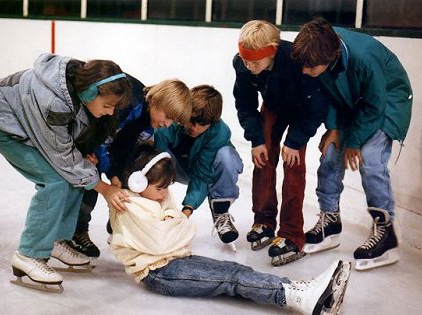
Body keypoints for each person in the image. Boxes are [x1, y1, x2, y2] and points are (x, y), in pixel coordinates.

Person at [109, 143, 351, 315]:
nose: (165, 194)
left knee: (235, 269)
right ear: (138, 183)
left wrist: (172, 224)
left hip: (176, 259)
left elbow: (180, 231)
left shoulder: (157, 199)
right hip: (159, 273)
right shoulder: (130, 207)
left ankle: (297, 288)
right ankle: (298, 298)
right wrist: (176, 224)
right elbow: (165, 240)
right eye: (160, 189)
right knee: (231, 279)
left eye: (166, 188)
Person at [0, 53, 132, 293]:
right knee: (56, 181)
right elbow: (61, 156)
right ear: (92, 93)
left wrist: (85, 159)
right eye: (108, 105)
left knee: (76, 176)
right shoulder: (53, 102)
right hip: (4, 125)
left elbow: (71, 146)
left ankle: (56, 239)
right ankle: (29, 254)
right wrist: (103, 188)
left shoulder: (79, 88)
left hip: (29, 123)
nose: (111, 112)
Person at [291, 19, 413, 270]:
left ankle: (385, 230)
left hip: (387, 100)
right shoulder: (318, 51)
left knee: (369, 158)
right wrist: (334, 129)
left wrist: (355, 142)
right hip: (353, 99)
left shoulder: (365, 57)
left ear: (332, 56)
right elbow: (329, 93)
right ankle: (330, 219)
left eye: (310, 67)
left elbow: (374, 105)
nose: (304, 72)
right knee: (330, 153)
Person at [233, 20, 329, 265]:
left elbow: (316, 107)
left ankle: (291, 234)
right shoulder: (242, 65)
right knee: (262, 158)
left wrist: (295, 141)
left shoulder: (298, 61)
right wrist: (256, 139)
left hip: (302, 111)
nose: (249, 65)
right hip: (273, 107)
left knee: (293, 166)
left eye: (255, 61)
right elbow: (245, 104)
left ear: (272, 50)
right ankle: (264, 220)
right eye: (245, 60)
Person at [68, 78, 192, 258]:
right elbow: (101, 138)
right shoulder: (129, 105)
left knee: (130, 182)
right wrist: (111, 173)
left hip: (109, 150)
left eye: (173, 121)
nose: (167, 124)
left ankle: (122, 226)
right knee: (90, 182)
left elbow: (128, 148)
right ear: (155, 102)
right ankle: (76, 230)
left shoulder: (149, 121)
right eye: (167, 117)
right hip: (88, 143)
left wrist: (118, 175)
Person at [153, 85, 243, 248]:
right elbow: (154, 162)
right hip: (174, 167)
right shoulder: (172, 120)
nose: (194, 128)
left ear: (212, 122)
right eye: (191, 121)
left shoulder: (220, 132)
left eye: (202, 124)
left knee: (227, 157)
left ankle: (220, 210)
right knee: (150, 145)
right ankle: (139, 211)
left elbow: (202, 174)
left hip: (205, 170)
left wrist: (185, 212)